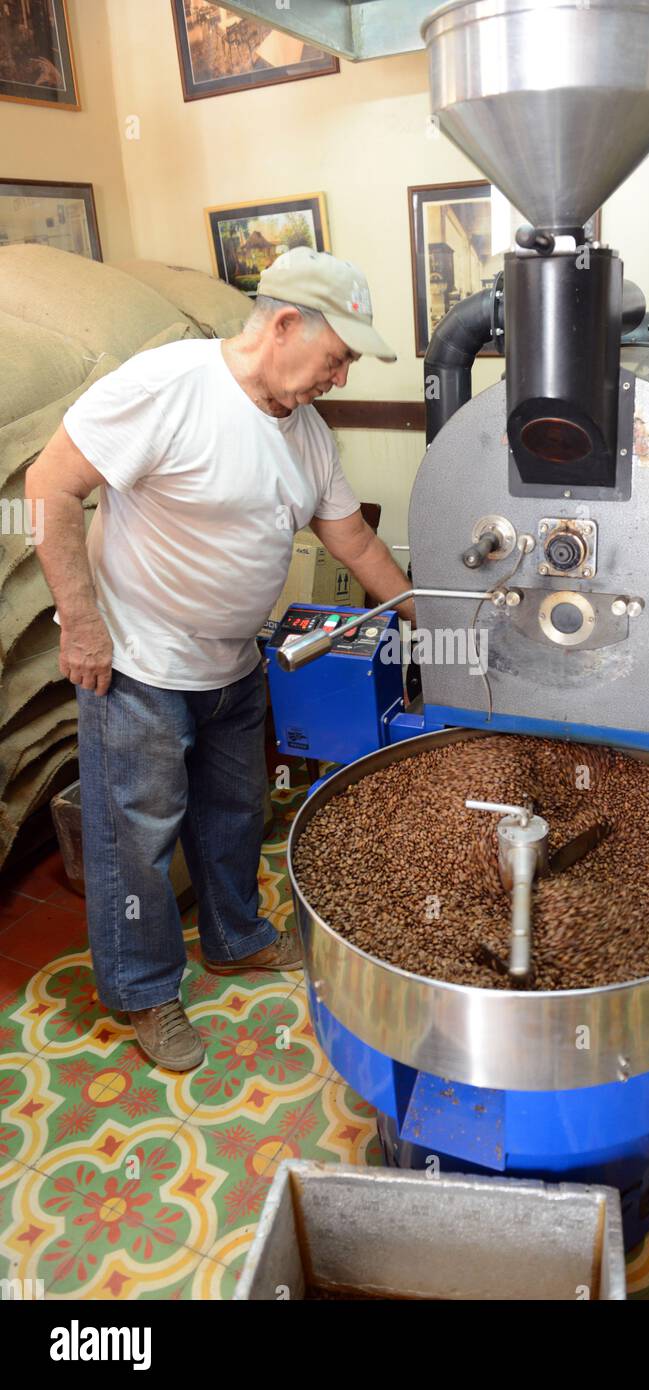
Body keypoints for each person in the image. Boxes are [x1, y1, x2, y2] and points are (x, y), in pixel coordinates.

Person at [26, 247, 413, 1072]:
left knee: (236, 813)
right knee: (137, 838)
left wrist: (429, 617)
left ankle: (234, 938)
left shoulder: (305, 432)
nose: (339, 379)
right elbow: (49, 485)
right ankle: (142, 988)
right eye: (337, 357)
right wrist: (80, 624)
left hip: (235, 664)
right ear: (282, 325)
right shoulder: (169, 385)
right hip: (138, 665)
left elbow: (354, 539)